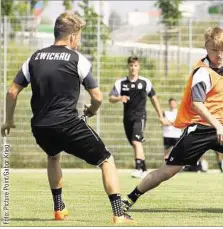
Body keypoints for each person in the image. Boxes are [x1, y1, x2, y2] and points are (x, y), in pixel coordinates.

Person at [0, 12, 135, 224]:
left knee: (53, 156)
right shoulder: (77, 58)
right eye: (79, 37)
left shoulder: (34, 57)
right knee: (106, 159)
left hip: (41, 126)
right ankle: (118, 214)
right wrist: (92, 109)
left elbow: (12, 92)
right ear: (72, 37)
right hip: (68, 124)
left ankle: (58, 209)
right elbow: (98, 97)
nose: (78, 41)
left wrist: (8, 120)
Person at [121, 26, 223, 215]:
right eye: (214, 50)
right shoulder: (202, 72)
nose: (219, 54)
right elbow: (197, 105)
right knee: (168, 171)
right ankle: (130, 198)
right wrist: (217, 126)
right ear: (206, 48)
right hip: (200, 128)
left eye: (222, 50)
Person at [109, 56, 166, 178]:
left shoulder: (145, 82)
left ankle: (138, 168)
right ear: (128, 66)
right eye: (131, 65)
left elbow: (154, 99)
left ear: (139, 67)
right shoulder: (121, 83)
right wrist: (120, 98)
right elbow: (111, 98)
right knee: (135, 143)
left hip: (140, 116)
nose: (133, 68)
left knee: (136, 141)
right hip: (127, 118)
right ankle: (144, 169)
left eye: (135, 65)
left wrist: (160, 116)